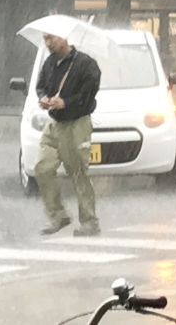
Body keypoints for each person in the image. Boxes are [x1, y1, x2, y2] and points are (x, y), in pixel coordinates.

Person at [34, 33, 102, 237]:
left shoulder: (85, 64)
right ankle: (58, 215)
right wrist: (44, 98)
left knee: (78, 172)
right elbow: (41, 86)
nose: (48, 44)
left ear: (65, 38)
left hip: (77, 123)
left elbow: (89, 92)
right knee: (42, 167)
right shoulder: (49, 63)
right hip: (55, 124)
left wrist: (67, 102)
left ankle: (89, 221)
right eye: (45, 39)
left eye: (52, 39)